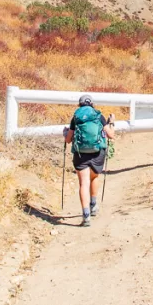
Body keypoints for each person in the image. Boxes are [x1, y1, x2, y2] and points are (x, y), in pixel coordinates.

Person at [64, 94, 115, 227]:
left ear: (80, 104)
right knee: (94, 178)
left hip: (80, 154)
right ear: (92, 104)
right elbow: (111, 135)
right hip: (97, 152)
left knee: (83, 184)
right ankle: (93, 205)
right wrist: (112, 122)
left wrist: (66, 133)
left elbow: (68, 140)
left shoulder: (76, 117)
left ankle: (86, 216)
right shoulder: (98, 116)